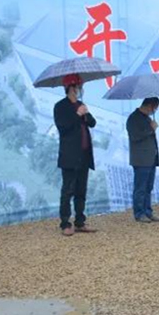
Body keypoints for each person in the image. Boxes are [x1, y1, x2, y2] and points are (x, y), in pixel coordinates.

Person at [54, 74, 98, 236]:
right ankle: (65, 223)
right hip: (70, 156)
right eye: (78, 87)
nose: (80, 90)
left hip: (84, 156)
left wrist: (85, 113)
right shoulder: (60, 106)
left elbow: (92, 123)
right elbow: (63, 127)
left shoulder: (81, 105)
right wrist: (77, 114)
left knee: (81, 191)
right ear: (70, 88)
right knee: (68, 191)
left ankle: (80, 221)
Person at [127, 97, 159, 223]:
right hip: (141, 159)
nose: (155, 111)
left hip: (151, 158)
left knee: (148, 187)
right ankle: (139, 213)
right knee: (140, 187)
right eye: (155, 108)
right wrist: (151, 129)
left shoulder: (147, 118)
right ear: (149, 106)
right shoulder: (133, 118)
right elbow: (135, 136)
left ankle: (148, 211)